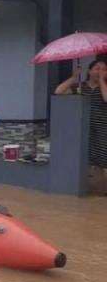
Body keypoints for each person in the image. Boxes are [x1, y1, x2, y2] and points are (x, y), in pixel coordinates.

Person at [55, 60, 107, 193]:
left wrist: (101, 81)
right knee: (85, 156)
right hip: (83, 128)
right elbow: (58, 91)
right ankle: (87, 187)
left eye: (103, 69)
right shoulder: (80, 86)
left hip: (102, 129)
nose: (100, 72)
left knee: (102, 157)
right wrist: (73, 78)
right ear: (89, 71)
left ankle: (101, 189)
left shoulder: (105, 87)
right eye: (97, 68)